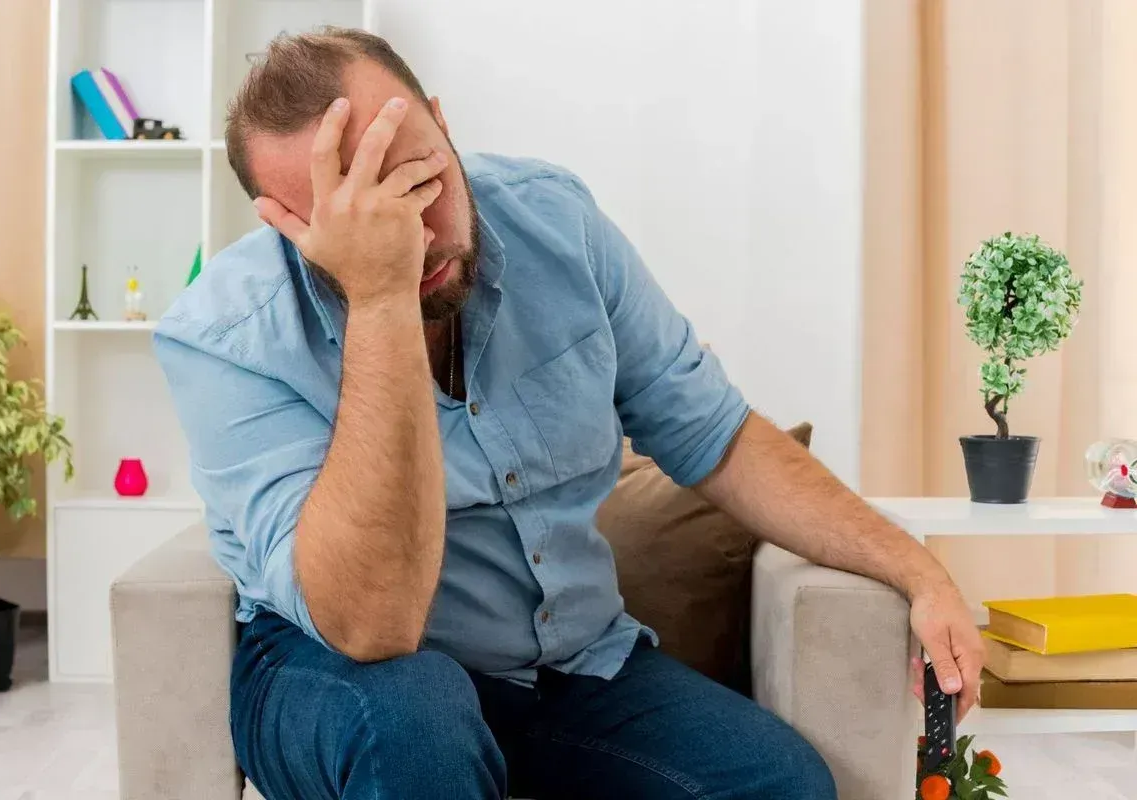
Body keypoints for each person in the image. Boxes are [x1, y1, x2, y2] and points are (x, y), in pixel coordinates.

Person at [154, 26, 983, 800]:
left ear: (444, 124)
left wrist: (916, 568)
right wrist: (378, 300)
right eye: (352, 216)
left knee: (783, 783)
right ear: (286, 225)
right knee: (417, 721)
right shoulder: (224, 337)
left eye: (417, 180)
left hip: (574, 661)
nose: (412, 235)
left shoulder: (557, 220)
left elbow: (716, 437)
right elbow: (372, 625)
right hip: (342, 672)